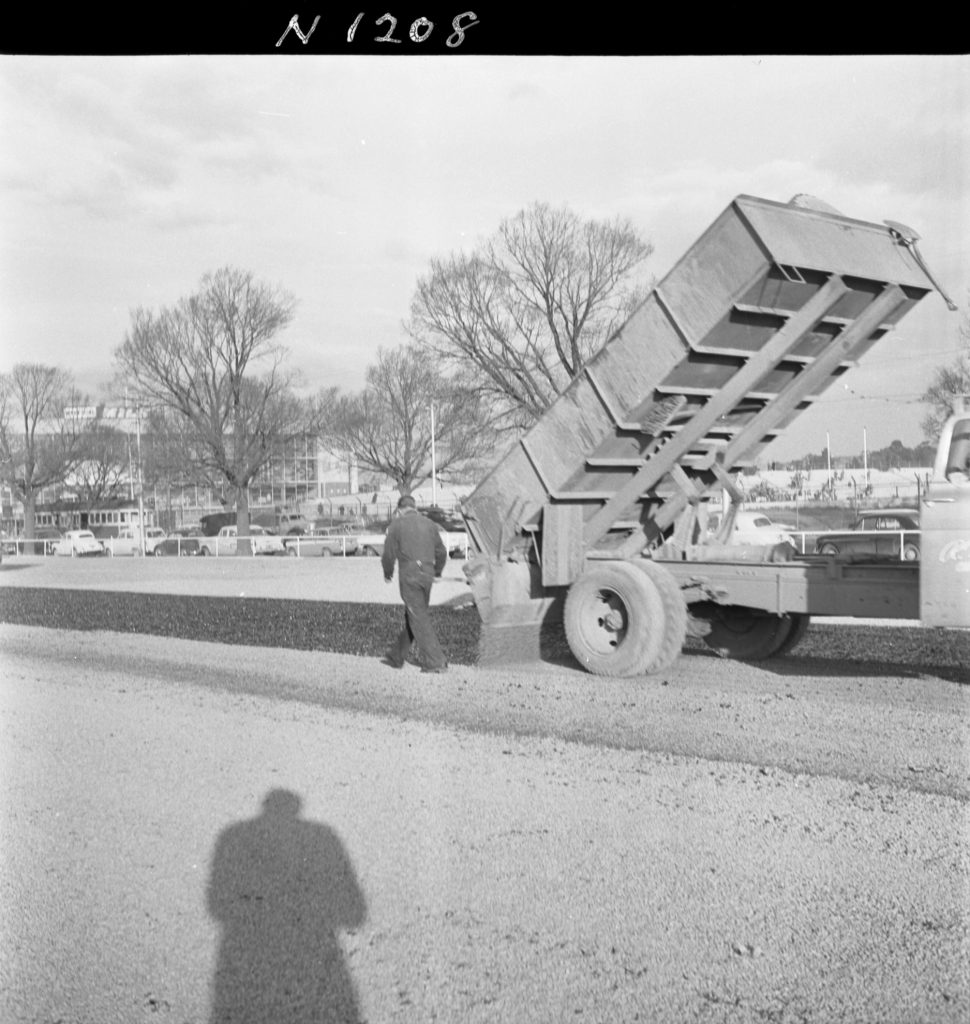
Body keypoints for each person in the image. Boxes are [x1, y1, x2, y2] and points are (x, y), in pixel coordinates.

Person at [381, 494, 448, 673]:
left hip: (410, 575)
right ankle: (396, 655)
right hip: (427, 574)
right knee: (415, 614)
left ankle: (436, 661)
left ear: (400, 509)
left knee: (418, 616)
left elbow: (388, 555)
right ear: (414, 507)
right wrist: (438, 572)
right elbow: (441, 552)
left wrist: (388, 573)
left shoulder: (397, 525)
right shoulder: (429, 524)